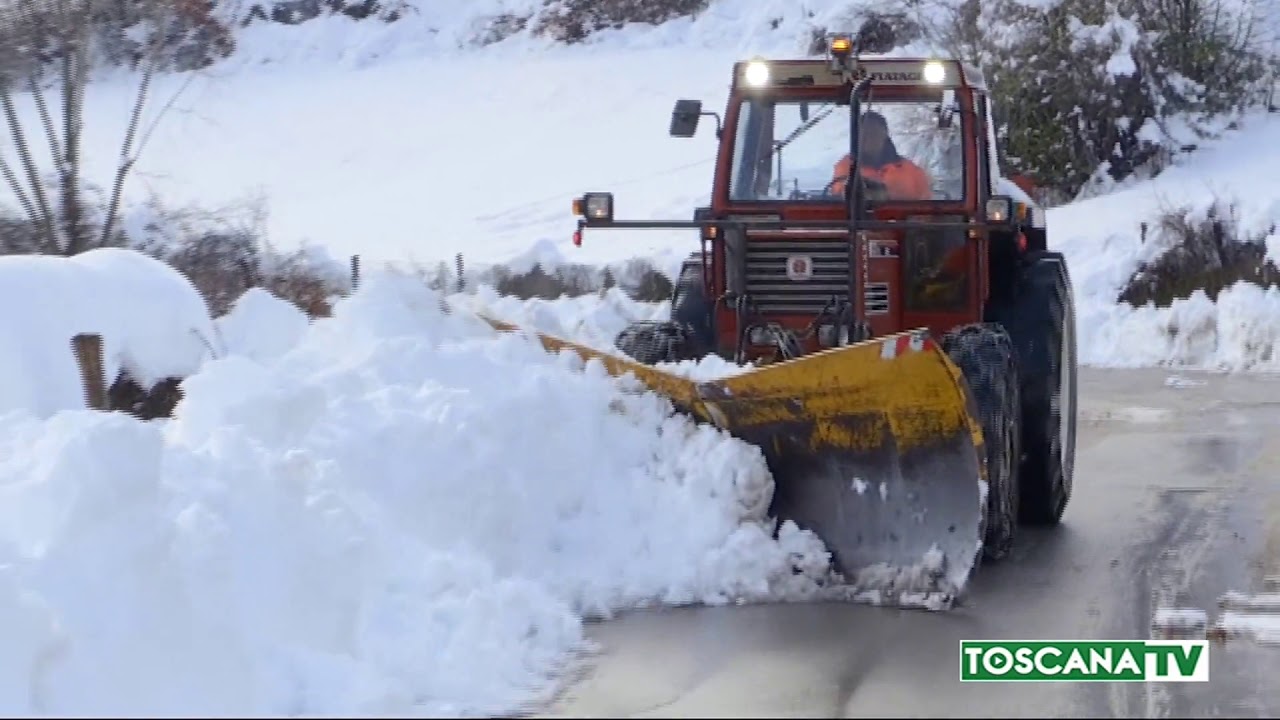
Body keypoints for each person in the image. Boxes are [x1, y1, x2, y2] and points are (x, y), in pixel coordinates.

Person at [830, 111, 932, 200]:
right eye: (864, 133)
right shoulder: (846, 167)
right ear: (857, 137)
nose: (869, 137)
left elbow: (926, 208)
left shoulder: (911, 171)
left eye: (875, 132)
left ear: (885, 135)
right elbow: (839, 195)